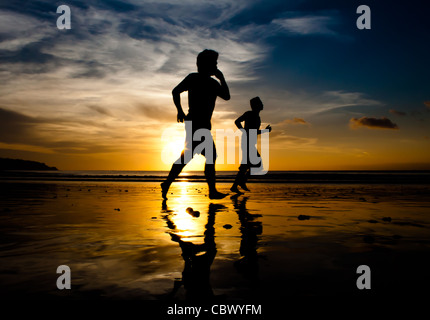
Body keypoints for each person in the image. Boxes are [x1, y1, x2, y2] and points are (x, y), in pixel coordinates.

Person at [161, 49, 230, 200]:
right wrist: (179, 111)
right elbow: (175, 91)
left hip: (201, 124)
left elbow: (227, 96)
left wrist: (221, 78)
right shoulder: (193, 78)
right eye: (215, 63)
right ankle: (212, 191)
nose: (217, 65)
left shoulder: (213, 83)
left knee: (187, 157)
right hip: (195, 123)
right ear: (206, 64)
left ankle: (166, 183)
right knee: (210, 155)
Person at [231, 97, 271, 194]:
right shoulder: (249, 114)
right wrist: (243, 131)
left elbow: (255, 131)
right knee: (258, 165)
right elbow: (237, 121)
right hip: (247, 143)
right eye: (260, 103)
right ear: (256, 105)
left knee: (246, 166)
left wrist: (265, 131)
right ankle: (241, 181)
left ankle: (236, 185)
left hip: (250, 143)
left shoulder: (257, 117)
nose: (262, 104)